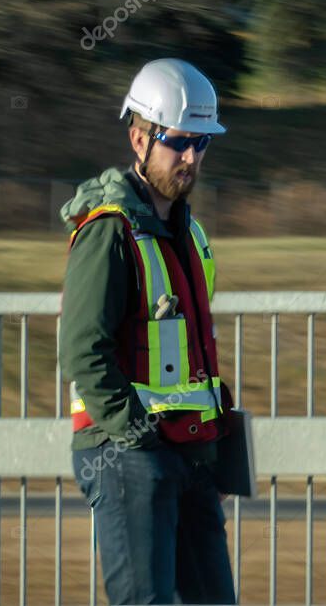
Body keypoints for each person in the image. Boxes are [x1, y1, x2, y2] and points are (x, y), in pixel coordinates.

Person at [59, 58, 236, 605]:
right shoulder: (108, 232)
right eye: (179, 142)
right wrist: (136, 432)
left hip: (188, 452)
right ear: (139, 138)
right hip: (127, 453)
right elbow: (83, 351)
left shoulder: (190, 233)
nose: (191, 158)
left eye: (202, 143)